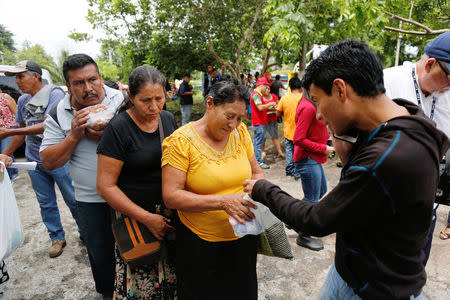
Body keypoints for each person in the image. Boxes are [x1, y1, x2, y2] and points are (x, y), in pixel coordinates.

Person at [243, 39, 449, 299]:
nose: (318, 114)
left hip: (375, 290)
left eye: (318, 101)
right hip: (350, 273)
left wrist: (263, 188)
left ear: (340, 89)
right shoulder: (409, 115)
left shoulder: (386, 158)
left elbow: (314, 219)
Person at [161, 79, 265, 300]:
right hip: (201, 244)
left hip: (243, 235)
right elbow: (171, 196)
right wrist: (223, 202)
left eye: (239, 118)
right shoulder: (180, 142)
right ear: (209, 103)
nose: (233, 125)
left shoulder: (240, 133)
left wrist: (255, 191)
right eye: (229, 116)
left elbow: (257, 173)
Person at [39, 54, 124, 298]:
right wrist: (74, 135)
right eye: (79, 83)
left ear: (101, 78)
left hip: (129, 192)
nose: (88, 88)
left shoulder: (122, 100)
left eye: (92, 79)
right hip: (91, 199)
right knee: (101, 253)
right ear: (68, 87)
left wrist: (112, 135)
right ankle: (108, 293)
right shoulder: (59, 112)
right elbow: (49, 160)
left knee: (138, 248)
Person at [97, 65, 177, 299]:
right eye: (145, 100)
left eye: (159, 98)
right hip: (136, 222)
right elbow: (105, 186)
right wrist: (147, 218)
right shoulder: (119, 128)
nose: (154, 107)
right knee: (143, 284)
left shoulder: (168, 120)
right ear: (130, 97)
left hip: (169, 218)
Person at [0, 60, 79, 258]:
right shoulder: (22, 101)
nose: (17, 81)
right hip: (34, 159)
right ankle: (56, 237)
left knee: (73, 198)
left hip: (58, 158)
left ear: (35, 75)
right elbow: (21, 132)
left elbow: (47, 124)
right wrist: (6, 153)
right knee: (45, 202)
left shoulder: (55, 95)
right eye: (15, 77)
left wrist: (9, 132)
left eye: (21, 76)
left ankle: (86, 231)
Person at [384, 31, 450, 263]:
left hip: (425, 211)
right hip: (386, 209)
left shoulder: (448, 94)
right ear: (431, 64)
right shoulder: (387, 82)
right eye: (449, 78)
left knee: (415, 270)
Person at [292, 93, 334, 251]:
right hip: (307, 158)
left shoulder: (312, 103)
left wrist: (328, 140)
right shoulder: (308, 107)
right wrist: (323, 148)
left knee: (321, 190)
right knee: (312, 198)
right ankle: (304, 235)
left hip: (314, 158)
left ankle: (294, 218)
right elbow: (298, 139)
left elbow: (316, 129)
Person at [277, 77, 302, 177]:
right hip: (301, 131)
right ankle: (297, 172)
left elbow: (278, 113)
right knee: (298, 151)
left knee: (289, 150)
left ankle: (289, 170)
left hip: (288, 130)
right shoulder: (303, 98)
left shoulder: (284, 98)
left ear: (290, 87)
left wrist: (285, 114)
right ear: (300, 86)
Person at [250, 77, 276, 169]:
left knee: (256, 143)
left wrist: (271, 107)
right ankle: (259, 163)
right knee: (258, 143)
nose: (267, 89)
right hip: (259, 123)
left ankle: (254, 161)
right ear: (262, 85)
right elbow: (260, 107)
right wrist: (270, 103)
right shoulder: (256, 95)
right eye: (266, 87)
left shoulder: (258, 94)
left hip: (260, 122)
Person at [0, 88, 19, 180]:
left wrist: (22, 130)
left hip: (10, 128)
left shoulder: (5, 97)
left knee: (5, 151)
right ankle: (14, 172)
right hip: (1, 131)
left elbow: (17, 113)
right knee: (4, 153)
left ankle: (10, 177)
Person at [261, 87, 284, 158]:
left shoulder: (273, 96)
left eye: (268, 89)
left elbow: (279, 105)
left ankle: (279, 152)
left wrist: (276, 107)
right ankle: (262, 152)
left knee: (275, 136)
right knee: (263, 137)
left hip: (273, 119)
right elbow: (260, 108)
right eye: (266, 89)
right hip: (264, 120)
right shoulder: (260, 98)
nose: (268, 90)